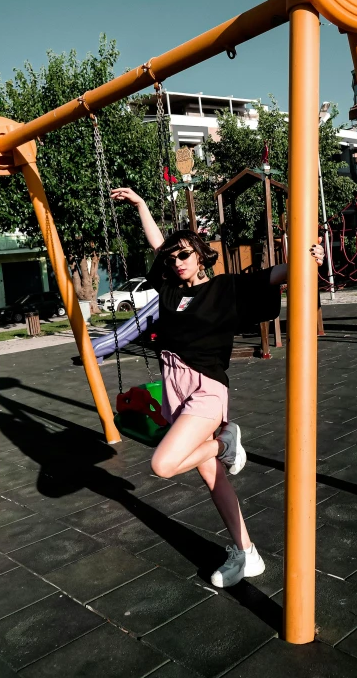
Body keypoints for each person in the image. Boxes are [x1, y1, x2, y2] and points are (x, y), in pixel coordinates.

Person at [111, 186, 324, 587]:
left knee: (163, 465)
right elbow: (159, 244)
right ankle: (247, 554)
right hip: (175, 389)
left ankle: (227, 442)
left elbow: (278, 274)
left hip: (206, 389)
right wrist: (141, 203)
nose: (177, 261)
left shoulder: (224, 289)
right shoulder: (171, 292)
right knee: (213, 478)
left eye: (185, 254)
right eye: (173, 257)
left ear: (202, 255)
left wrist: (310, 258)